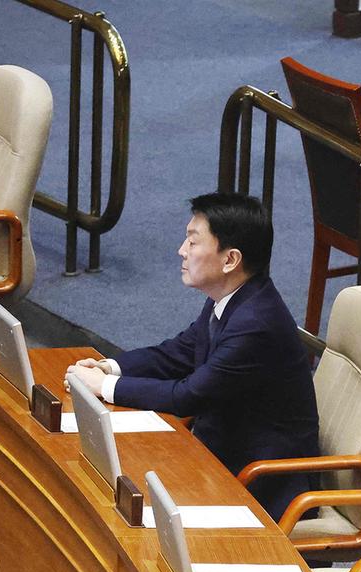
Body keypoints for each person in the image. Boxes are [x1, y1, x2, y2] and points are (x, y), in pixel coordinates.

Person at [66, 191, 318, 520]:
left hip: (259, 485)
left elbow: (189, 395)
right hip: (219, 456)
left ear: (230, 260)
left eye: (193, 242)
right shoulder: (234, 297)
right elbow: (180, 352)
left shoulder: (256, 323)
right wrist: (109, 366)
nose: (181, 251)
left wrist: (104, 386)